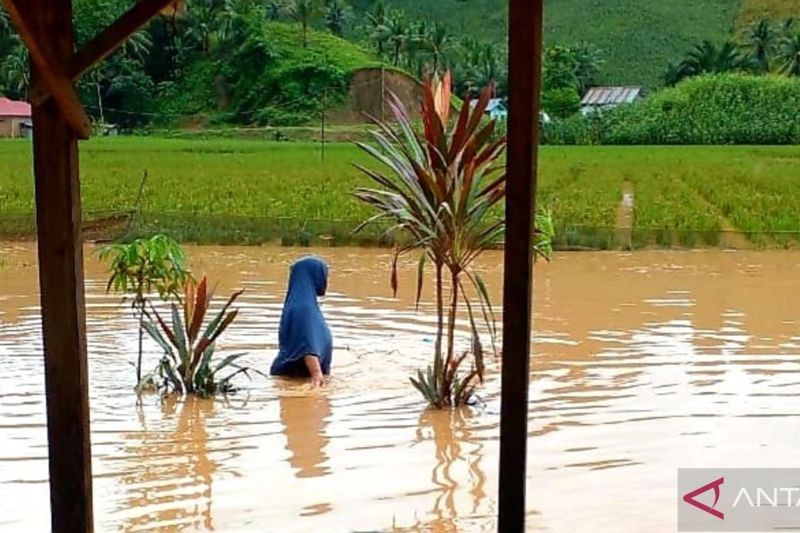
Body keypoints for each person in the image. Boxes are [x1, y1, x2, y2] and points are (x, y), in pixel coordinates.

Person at [270, 257, 332, 387]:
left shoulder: (299, 303)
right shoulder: (304, 307)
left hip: (294, 375)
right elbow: (306, 344)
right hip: (296, 378)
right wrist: (317, 375)